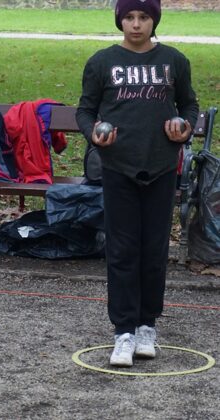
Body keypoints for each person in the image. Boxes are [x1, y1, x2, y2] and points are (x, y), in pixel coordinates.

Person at [76, 0, 199, 367]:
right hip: (119, 168)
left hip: (161, 167)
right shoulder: (102, 62)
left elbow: (189, 106)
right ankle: (124, 331)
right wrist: (93, 134)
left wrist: (184, 128)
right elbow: (85, 111)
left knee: (154, 250)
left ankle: (147, 326)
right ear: (119, 20)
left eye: (144, 17)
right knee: (122, 250)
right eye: (129, 17)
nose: (136, 24)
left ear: (154, 20)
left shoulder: (174, 61)